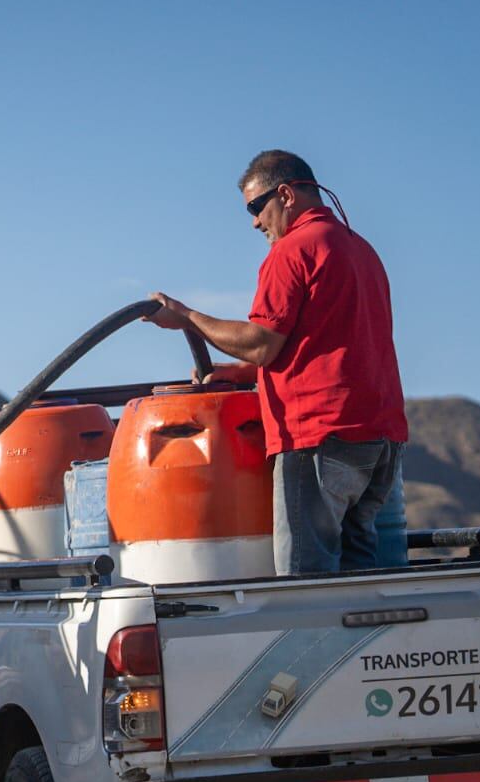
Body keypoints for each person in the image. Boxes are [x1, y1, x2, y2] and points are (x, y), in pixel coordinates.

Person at [147, 149, 408, 575]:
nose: (254, 221)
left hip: (320, 437)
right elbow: (327, 343)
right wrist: (243, 374)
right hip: (380, 441)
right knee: (364, 581)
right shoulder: (361, 250)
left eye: (256, 207)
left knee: (308, 580)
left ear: (285, 194)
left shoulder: (292, 250)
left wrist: (187, 318)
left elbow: (262, 342)